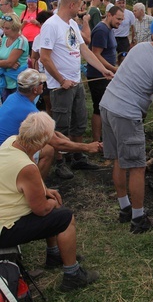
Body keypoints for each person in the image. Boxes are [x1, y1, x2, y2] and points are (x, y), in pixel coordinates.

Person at [100, 23, 153, 234]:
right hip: (126, 115)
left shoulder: (139, 47)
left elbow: (143, 80)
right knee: (138, 166)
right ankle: (138, 220)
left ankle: (125, 209)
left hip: (107, 105)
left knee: (119, 160)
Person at [0, 111, 99, 292]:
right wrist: (51, 202)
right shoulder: (27, 168)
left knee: (51, 198)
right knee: (65, 217)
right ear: (43, 140)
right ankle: (73, 275)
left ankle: (54, 255)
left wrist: (45, 190)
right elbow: (42, 210)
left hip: (3, 216)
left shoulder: (12, 142)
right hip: (5, 228)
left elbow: (29, 177)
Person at [39, 0, 114, 178]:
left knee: (79, 121)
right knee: (61, 125)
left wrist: (103, 69)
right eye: (80, 6)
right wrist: (61, 80)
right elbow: (44, 58)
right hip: (60, 86)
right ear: (71, 5)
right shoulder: (51, 25)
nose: (82, 10)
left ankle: (78, 157)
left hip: (76, 83)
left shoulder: (72, 23)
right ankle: (60, 162)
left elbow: (84, 51)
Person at [0, 69, 102, 180]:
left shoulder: (13, 98)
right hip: (6, 154)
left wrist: (59, 136)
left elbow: (47, 133)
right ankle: (35, 186)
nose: (44, 85)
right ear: (35, 89)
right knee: (48, 150)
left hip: (6, 146)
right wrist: (87, 147)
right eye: (41, 83)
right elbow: (57, 144)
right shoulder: (30, 111)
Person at [87, 5, 124, 142]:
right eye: (118, 19)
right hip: (98, 75)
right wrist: (113, 69)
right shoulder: (101, 30)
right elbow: (96, 54)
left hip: (106, 73)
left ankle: (104, 138)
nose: (120, 22)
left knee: (106, 106)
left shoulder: (109, 29)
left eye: (122, 20)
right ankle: (97, 141)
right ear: (109, 15)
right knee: (99, 108)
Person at [0, 14, 29, 103]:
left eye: (7, 28)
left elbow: (9, 63)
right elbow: (8, 62)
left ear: (16, 28)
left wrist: (7, 64)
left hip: (18, 82)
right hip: (5, 81)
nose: (4, 31)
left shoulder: (21, 41)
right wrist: (4, 63)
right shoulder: (5, 38)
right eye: (3, 28)